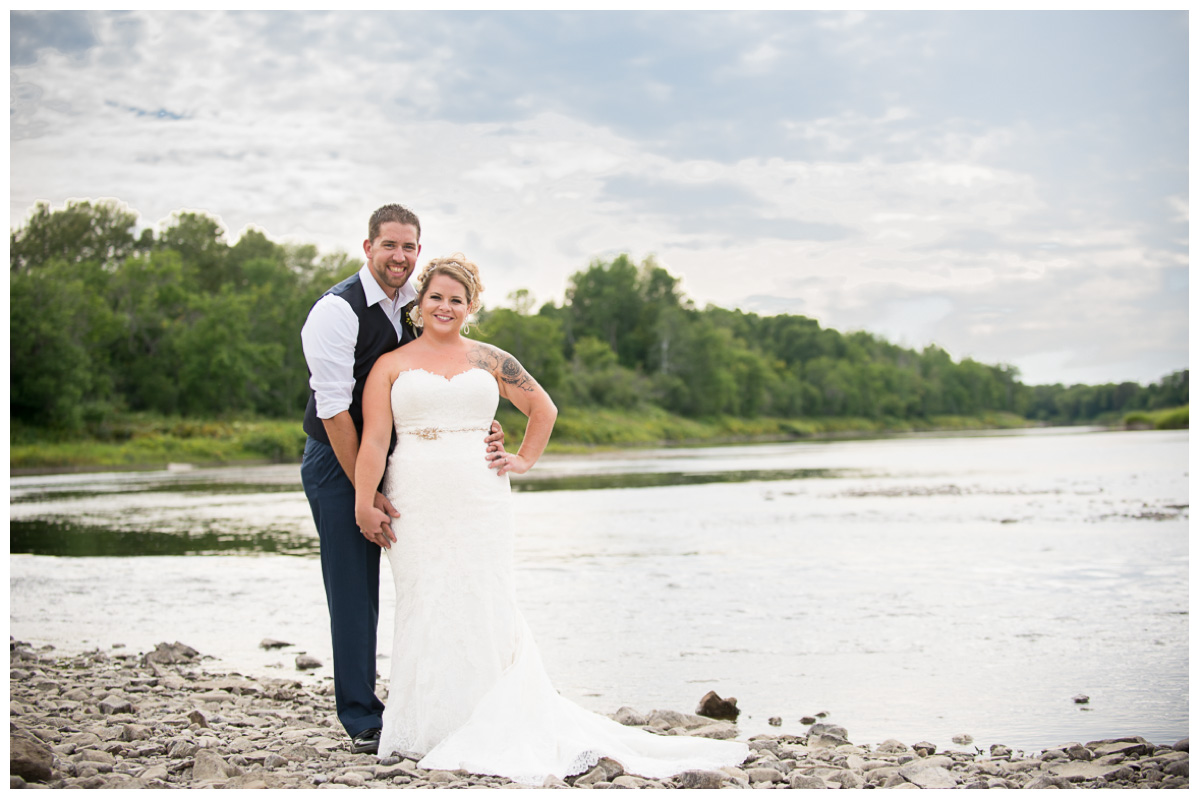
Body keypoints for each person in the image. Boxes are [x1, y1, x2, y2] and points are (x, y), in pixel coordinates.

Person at [354, 255, 749, 785]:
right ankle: (424, 726)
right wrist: (364, 498)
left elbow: (544, 410)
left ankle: (483, 719)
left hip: (479, 496)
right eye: (436, 297)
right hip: (415, 496)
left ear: (470, 307)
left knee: (481, 597)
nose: (445, 307)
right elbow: (375, 438)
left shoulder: (491, 359)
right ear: (420, 302)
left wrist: (521, 458)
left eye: (456, 299)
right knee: (424, 599)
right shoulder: (391, 364)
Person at [300, 206, 504, 754]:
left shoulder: (416, 300)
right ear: (367, 247)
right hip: (337, 456)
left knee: (432, 577)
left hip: (403, 460)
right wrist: (365, 495)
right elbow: (334, 413)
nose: (400, 257)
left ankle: (438, 697)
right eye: (390, 245)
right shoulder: (335, 312)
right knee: (354, 586)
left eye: (409, 247)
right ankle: (362, 716)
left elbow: (441, 370)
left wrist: (476, 422)